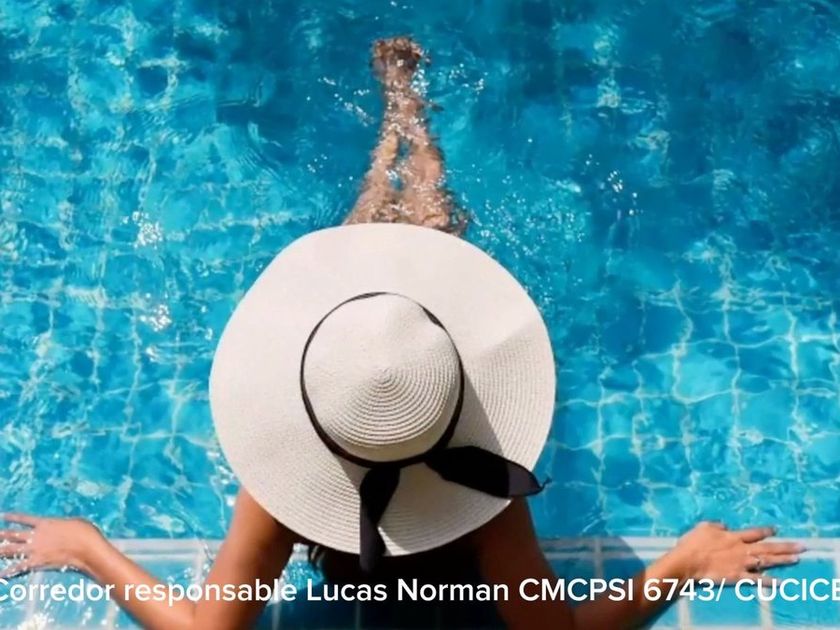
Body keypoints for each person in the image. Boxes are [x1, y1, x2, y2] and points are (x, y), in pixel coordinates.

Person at [0, 37, 802, 630]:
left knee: (371, 287)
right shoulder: (486, 486)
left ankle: (397, 126)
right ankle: (410, 123)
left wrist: (89, 549)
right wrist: (680, 564)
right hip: (435, 430)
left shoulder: (279, 491)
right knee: (419, 254)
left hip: (368, 419)